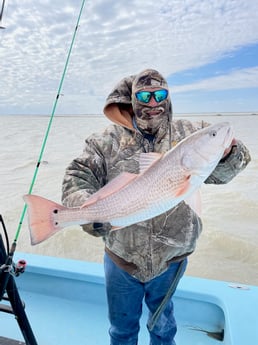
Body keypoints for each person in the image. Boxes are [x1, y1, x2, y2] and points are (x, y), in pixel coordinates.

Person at [62, 69, 251, 345]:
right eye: (145, 96)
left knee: (163, 329)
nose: (153, 102)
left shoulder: (189, 133)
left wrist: (230, 152)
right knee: (121, 331)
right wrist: (84, 209)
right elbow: (77, 175)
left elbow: (225, 171)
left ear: (169, 96)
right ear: (132, 99)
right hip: (121, 259)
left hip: (170, 260)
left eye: (160, 94)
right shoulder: (105, 141)